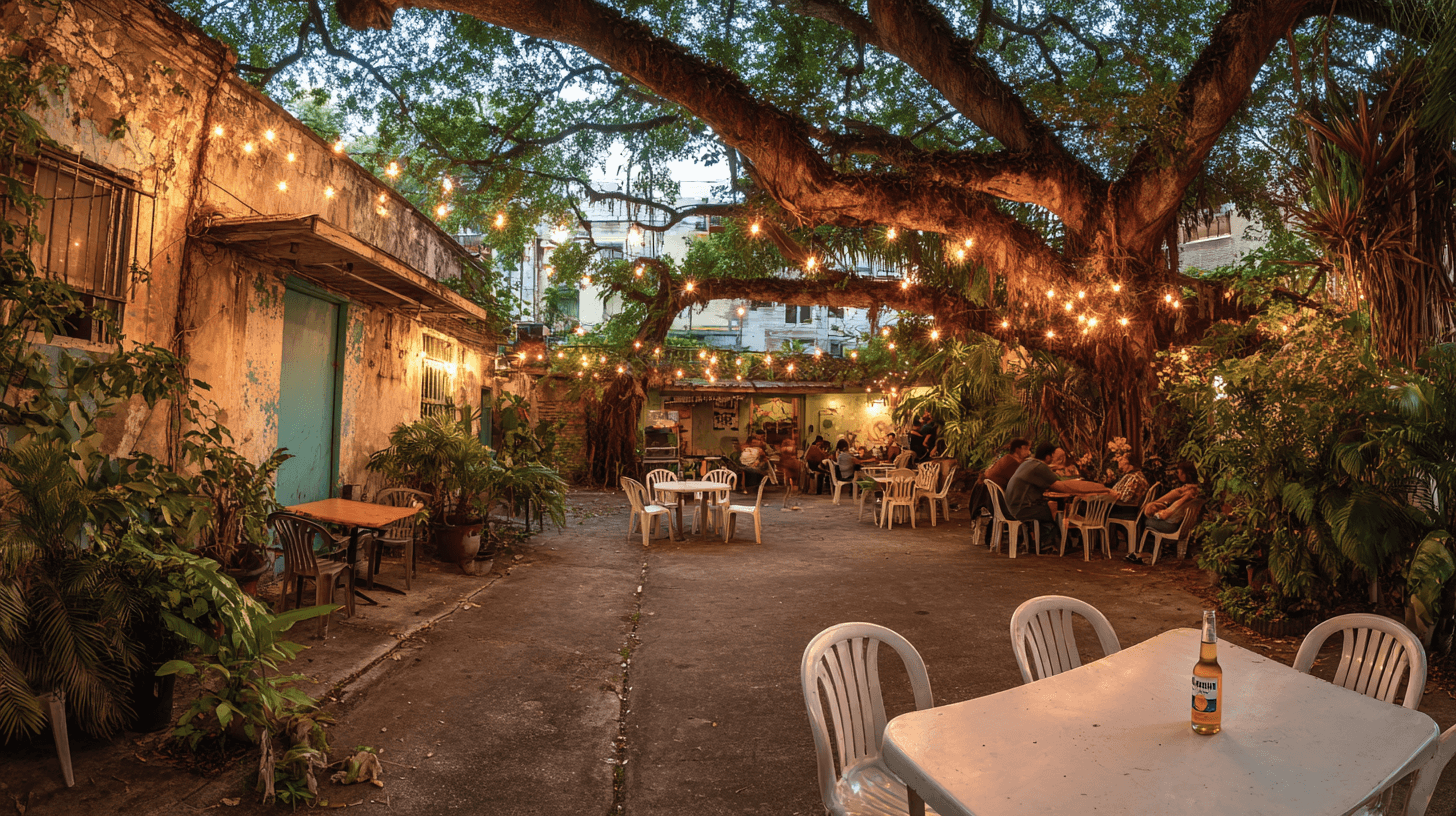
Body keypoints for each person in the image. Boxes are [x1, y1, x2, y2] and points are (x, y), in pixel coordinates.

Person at [1004, 442, 1115, 551]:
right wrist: (1100, 488)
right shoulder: (1040, 467)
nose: (1053, 459)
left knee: (1051, 506)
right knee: (1053, 509)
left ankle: (1053, 542)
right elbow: (1063, 487)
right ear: (1048, 456)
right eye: (1052, 456)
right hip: (1022, 508)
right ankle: (1056, 545)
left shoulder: (1028, 463)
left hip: (1012, 506)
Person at [1142, 461, 1201, 535]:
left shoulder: (1188, 494)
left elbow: (1167, 514)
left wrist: (1157, 512)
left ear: (1184, 474)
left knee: (1146, 521)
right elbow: (1175, 494)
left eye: (1179, 473)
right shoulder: (1193, 489)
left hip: (1172, 525)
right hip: (1176, 523)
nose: (1178, 475)